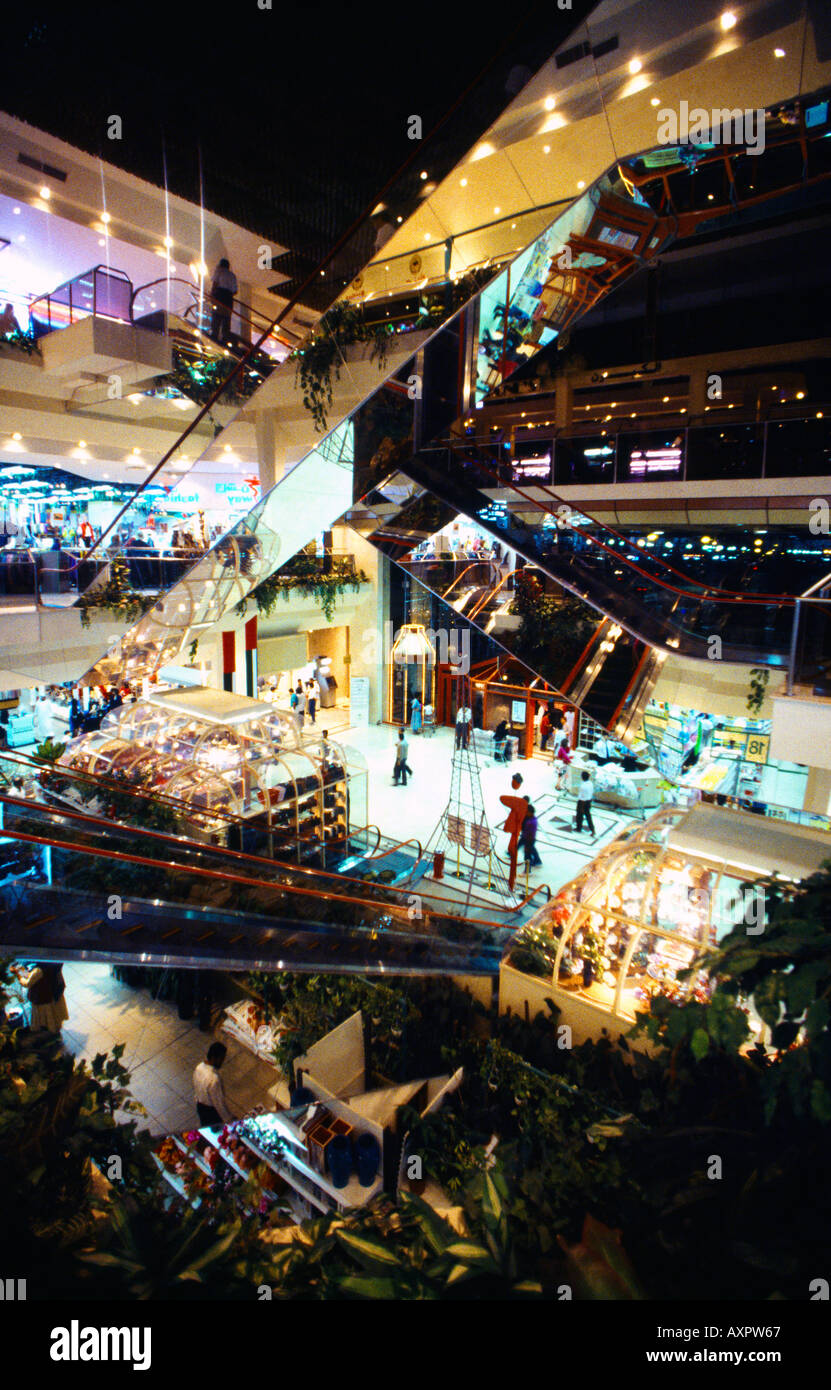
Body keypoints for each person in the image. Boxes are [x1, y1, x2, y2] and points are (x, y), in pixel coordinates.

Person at [16, 962, 68, 1033]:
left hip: (42, 996)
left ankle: (51, 1031)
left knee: (47, 1017)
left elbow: (27, 982)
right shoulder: (53, 964)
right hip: (53, 993)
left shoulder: (39, 970)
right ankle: (55, 1029)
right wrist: (19, 969)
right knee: (54, 1014)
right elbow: (31, 976)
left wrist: (18, 974)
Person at [193, 1042, 234, 1128]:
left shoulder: (199, 1067)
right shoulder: (213, 1079)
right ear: (214, 1058)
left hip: (200, 1106)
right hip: (211, 1111)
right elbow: (218, 1103)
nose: (222, 1062)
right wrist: (229, 1119)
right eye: (221, 1059)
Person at [499, 773, 527, 892]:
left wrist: (515, 800)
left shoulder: (519, 805)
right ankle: (512, 852)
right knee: (514, 842)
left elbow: (502, 798)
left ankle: (519, 871)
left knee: (516, 844)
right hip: (518, 828)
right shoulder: (523, 808)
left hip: (516, 828)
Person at [209, 258, 238, 343]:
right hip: (229, 298)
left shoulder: (219, 271)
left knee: (216, 315)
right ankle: (225, 338)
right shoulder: (233, 275)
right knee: (226, 318)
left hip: (220, 295)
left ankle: (214, 335)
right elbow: (235, 291)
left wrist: (212, 295)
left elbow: (215, 284)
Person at [520, 800, 542, 868]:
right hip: (525, 837)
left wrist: (527, 844)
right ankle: (537, 861)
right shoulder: (529, 818)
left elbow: (530, 833)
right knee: (530, 850)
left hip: (529, 839)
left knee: (527, 855)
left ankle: (528, 869)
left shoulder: (532, 822)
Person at [574, 770, 596, 836]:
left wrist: (581, 807)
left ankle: (579, 828)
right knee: (588, 816)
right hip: (589, 801)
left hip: (582, 802)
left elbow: (582, 797)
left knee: (579, 815)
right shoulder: (590, 783)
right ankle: (592, 829)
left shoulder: (583, 786)